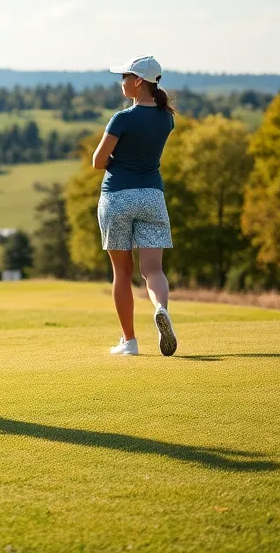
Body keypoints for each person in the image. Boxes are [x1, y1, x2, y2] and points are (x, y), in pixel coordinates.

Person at [91, 56, 179, 357]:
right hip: (152, 196)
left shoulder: (122, 119)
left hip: (118, 197)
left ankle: (129, 341)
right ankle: (160, 309)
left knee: (122, 272)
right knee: (153, 269)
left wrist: (118, 162)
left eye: (125, 77)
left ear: (139, 81)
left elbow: (98, 161)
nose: (122, 82)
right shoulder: (167, 118)